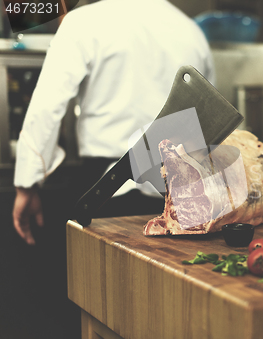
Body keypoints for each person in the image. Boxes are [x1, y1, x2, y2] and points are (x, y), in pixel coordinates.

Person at [12, 0, 215, 245]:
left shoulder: (83, 22)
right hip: (179, 197)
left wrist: (27, 183)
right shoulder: (191, 31)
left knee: (101, 279)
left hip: (107, 192)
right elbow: (208, 118)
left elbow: (47, 106)